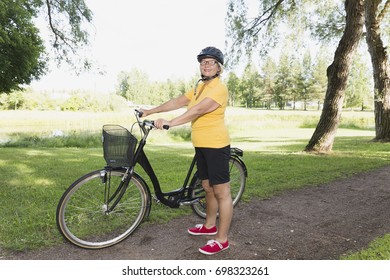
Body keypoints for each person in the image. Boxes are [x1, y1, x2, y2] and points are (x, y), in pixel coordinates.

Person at [140, 46, 232, 255]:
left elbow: (197, 110)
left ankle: (222, 238)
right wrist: (150, 110)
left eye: (211, 62)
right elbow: (178, 101)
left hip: (216, 146)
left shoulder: (219, 88)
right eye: (203, 62)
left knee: (221, 192)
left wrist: (170, 123)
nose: (206, 65)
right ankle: (209, 225)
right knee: (207, 187)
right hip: (201, 145)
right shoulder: (199, 87)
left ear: (219, 67)